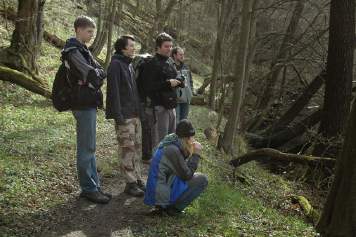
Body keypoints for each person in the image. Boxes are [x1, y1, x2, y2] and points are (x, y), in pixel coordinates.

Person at [64, 16, 110, 204]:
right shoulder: (73, 51)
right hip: (82, 103)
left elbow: (101, 71)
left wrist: (95, 74)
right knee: (86, 147)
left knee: (90, 146)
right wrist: (94, 75)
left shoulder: (84, 50)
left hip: (88, 102)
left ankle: (94, 186)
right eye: (89, 31)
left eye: (93, 31)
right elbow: (94, 76)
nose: (92, 35)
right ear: (78, 30)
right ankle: (89, 189)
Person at [106, 35, 145, 197]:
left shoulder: (128, 64)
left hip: (134, 114)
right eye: (131, 46)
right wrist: (118, 116)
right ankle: (129, 183)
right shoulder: (116, 64)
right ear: (122, 48)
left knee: (137, 148)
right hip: (124, 116)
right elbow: (113, 92)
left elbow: (133, 92)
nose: (133, 48)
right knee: (127, 149)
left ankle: (137, 179)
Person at [144, 119, 208, 216]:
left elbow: (181, 164)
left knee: (192, 177)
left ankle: (167, 206)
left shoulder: (170, 140)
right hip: (160, 196)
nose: (192, 139)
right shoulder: (172, 150)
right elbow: (187, 175)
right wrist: (196, 155)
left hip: (160, 189)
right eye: (190, 137)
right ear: (185, 138)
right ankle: (173, 209)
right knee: (202, 179)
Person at [137, 32, 181, 151]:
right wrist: (168, 83)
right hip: (158, 107)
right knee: (160, 140)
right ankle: (157, 165)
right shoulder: (152, 63)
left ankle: (166, 163)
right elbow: (148, 86)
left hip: (171, 106)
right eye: (166, 46)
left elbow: (172, 79)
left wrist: (178, 82)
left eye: (171, 46)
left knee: (171, 138)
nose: (169, 49)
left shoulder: (170, 62)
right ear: (158, 47)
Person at [171, 47, 194, 123]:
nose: (182, 56)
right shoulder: (170, 66)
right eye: (180, 54)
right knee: (176, 121)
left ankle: (182, 135)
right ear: (174, 55)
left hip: (186, 99)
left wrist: (191, 92)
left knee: (184, 121)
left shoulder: (186, 67)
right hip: (176, 99)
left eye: (183, 54)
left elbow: (190, 81)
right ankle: (176, 135)